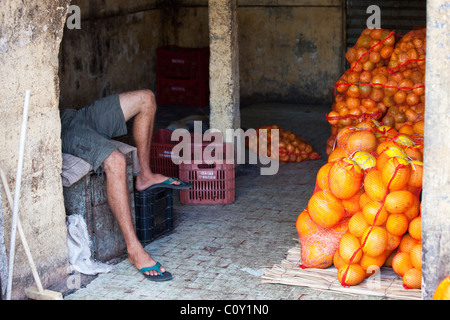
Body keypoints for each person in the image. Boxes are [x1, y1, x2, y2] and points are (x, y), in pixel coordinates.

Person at [60, 89, 191, 281]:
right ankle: (134, 249)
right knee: (116, 160)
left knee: (146, 98)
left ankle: (145, 175)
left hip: (72, 115)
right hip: (63, 128)